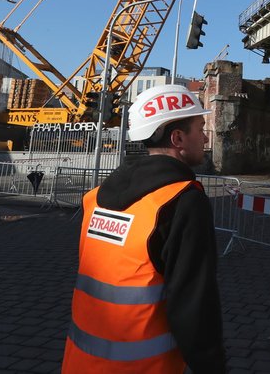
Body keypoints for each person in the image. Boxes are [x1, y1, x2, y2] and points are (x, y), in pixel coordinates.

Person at [62, 84, 226, 373]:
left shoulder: (96, 197)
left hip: (80, 362)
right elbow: (194, 305)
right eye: (200, 128)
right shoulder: (182, 202)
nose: (205, 137)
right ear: (178, 138)